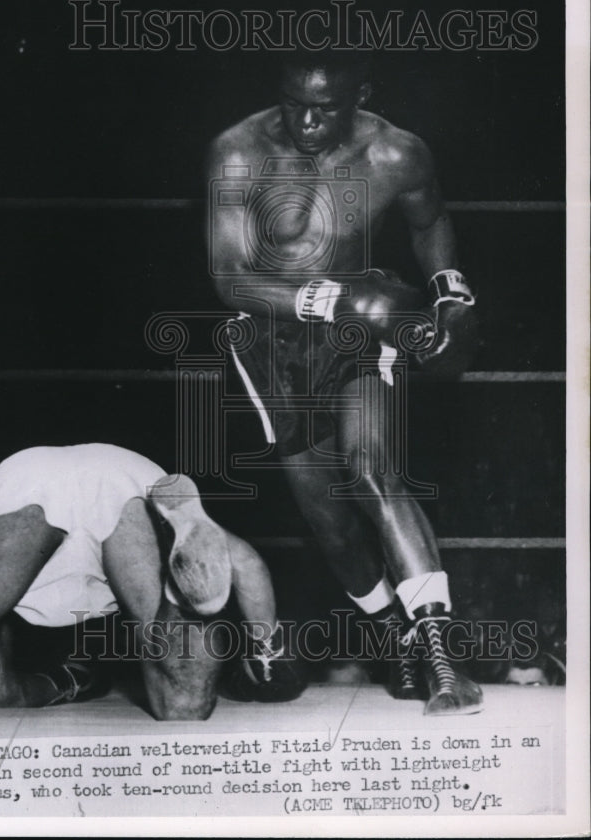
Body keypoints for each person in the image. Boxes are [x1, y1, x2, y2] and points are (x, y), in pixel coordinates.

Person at [206, 49, 482, 715]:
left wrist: (451, 294)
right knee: (328, 520)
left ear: (362, 94)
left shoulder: (395, 154)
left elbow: (431, 222)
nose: (305, 120)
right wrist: (333, 303)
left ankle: (443, 657)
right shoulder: (240, 151)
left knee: (371, 470)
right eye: (293, 102)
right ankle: (397, 641)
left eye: (324, 107)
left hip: (359, 329)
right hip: (270, 337)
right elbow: (229, 277)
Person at [0, 433, 304, 719]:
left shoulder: (25, 605)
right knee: (183, 704)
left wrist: (267, 646)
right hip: (126, 485)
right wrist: (265, 652)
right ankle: (178, 582)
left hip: (29, 482)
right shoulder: (113, 587)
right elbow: (242, 563)